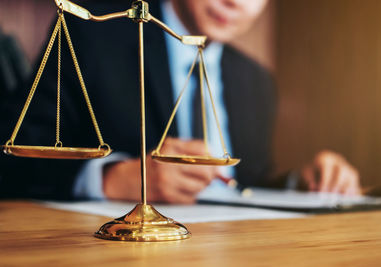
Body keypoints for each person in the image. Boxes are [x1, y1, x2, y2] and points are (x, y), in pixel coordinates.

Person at [0, 0, 360, 202]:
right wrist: (110, 178)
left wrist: (302, 182)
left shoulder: (256, 81)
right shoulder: (91, 38)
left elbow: (244, 185)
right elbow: (11, 157)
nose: (234, 2)